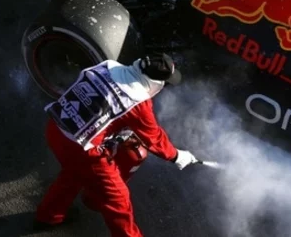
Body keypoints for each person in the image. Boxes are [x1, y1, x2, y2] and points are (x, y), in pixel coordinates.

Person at [33, 53, 199, 236]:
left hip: (56, 127)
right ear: (155, 82)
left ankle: (49, 216)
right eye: (165, 83)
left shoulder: (108, 65)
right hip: (79, 149)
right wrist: (177, 156)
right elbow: (154, 138)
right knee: (118, 199)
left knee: (74, 172)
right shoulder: (137, 101)